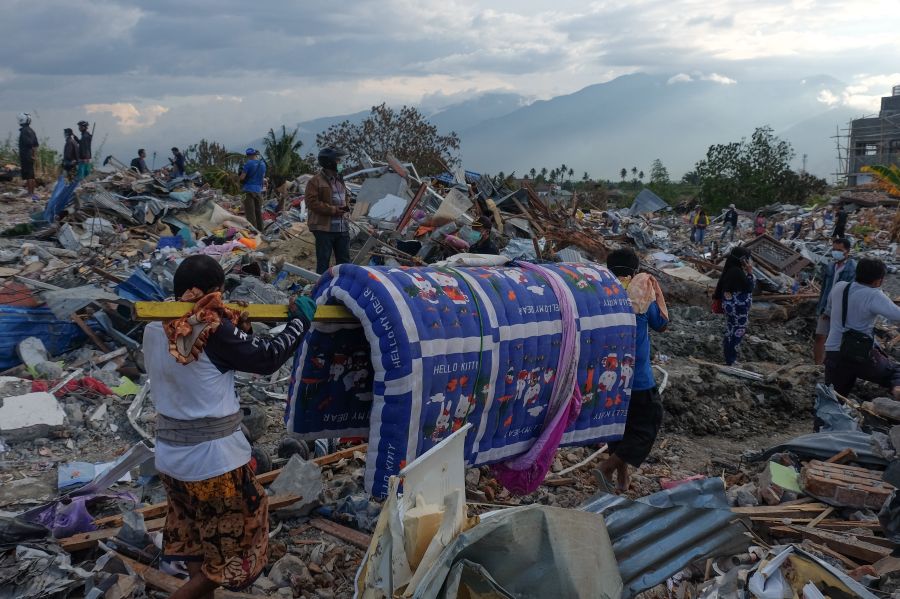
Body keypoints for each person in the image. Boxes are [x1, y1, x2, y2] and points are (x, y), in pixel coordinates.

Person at [143, 255, 315, 599]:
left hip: (170, 458)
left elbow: (218, 354)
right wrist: (299, 324)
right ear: (215, 292)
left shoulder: (155, 323)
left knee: (198, 543)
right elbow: (266, 358)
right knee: (235, 552)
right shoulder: (210, 327)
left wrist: (239, 327)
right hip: (213, 464)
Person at [597, 248, 668, 491]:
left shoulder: (600, 295)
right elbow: (662, 324)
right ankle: (607, 467)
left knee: (619, 426)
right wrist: (655, 291)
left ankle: (621, 478)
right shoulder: (641, 296)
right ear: (635, 271)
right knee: (648, 423)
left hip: (608, 378)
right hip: (637, 378)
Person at [823, 258, 900, 399]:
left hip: (833, 352)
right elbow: (897, 315)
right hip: (861, 355)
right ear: (879, 280)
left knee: (832, 398)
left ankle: (822, 421)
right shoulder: (874, 295)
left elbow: (829, 309)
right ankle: (896, 392)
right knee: (896, 371)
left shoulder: (840, 287)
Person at [305, 148, 351, 274]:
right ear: (330, 162)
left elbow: (345, 197)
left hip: (342, 228)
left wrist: (346, 208)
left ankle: (342, 288)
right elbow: (311, 202)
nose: (341, 163)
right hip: (324, 229)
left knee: (344, 262)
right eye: (338, 160)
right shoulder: (315, 181)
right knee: (323, 262)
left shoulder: (340, 179)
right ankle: (322, 289)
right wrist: (333, 210)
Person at [814, 238, 856, 364]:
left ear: (847, 251)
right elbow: (824, 289)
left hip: (840, 311)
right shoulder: (831, 266)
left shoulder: (852, 268)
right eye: (834, 249)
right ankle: (817, 366)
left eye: (839, 250)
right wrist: (821, 307)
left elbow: (850, 293)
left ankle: (832, 367)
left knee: (836, 341)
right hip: (825, 308)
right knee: (820, 336)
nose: (835, 252)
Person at [714, 247, 755, 365]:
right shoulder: (737, 272)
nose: (748, 261)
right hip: (738, 309)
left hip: (731, 307)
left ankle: (729, 358)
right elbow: (749, 287)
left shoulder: (730, 269)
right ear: (742, 259)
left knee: (731, 331)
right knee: (738, 331)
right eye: (746, 259)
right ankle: (731, 359)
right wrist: (750, 272)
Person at [239, 148, 267, 231]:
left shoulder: (248, 163)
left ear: (248, 155)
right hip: (258, 190)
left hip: (248, 190)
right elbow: (262, 177)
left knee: (250, 213)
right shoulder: (262, 164)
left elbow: (242, 177)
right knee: (258, 212)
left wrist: (239, 176)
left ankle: (254, 232)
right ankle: (261, 231)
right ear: (255, 154)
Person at [17, 113, 39, 201]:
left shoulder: (24, 131)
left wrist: (31, 154)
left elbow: (29, 144)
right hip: (30, 155)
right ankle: (31, 192)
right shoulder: (31, 130)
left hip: (26, 155)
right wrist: (34, 155)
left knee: (28, 175)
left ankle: (30, 193)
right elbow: (35, 145)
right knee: (31, 175)